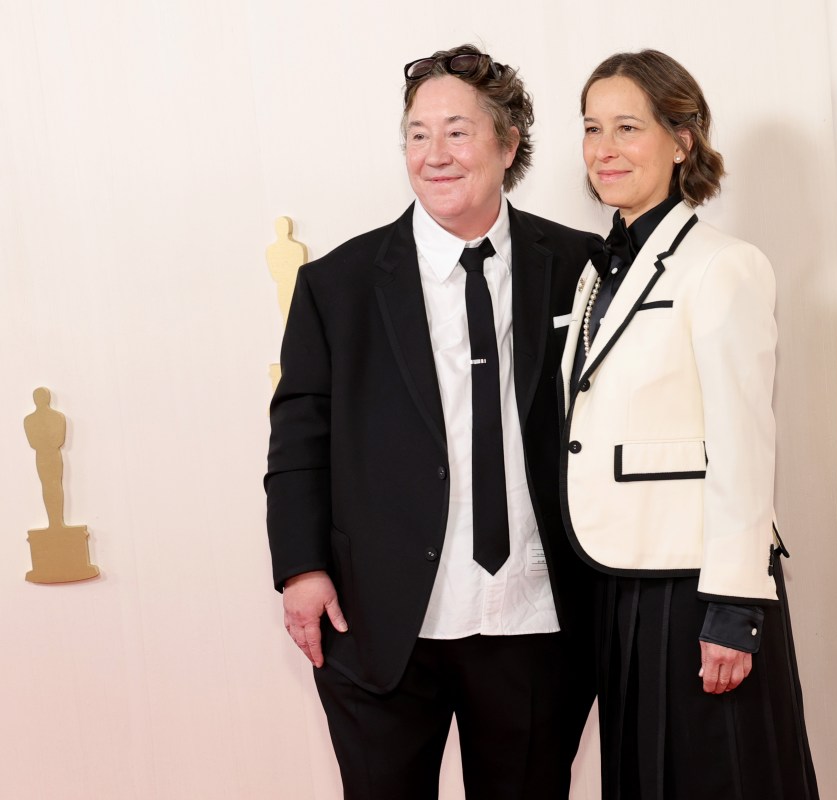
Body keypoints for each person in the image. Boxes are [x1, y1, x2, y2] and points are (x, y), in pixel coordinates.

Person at [265, 44, 600, 800]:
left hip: (536, 620)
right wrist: (302, 568)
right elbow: (298, 440)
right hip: (378, 622)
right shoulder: (336, 285)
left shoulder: (582, 267)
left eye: (457, 131)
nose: (434, 155)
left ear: (508, 144)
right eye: (418, 134)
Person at [559, 50, 820, 799]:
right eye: (592, 128)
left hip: (695, 583)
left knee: (716, 777)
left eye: (628, 128)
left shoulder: (724, 266)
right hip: (618, 575)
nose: (604, 149)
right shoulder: (593, 274)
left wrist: (735, 604)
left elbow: (745, 440)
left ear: (682, 140)